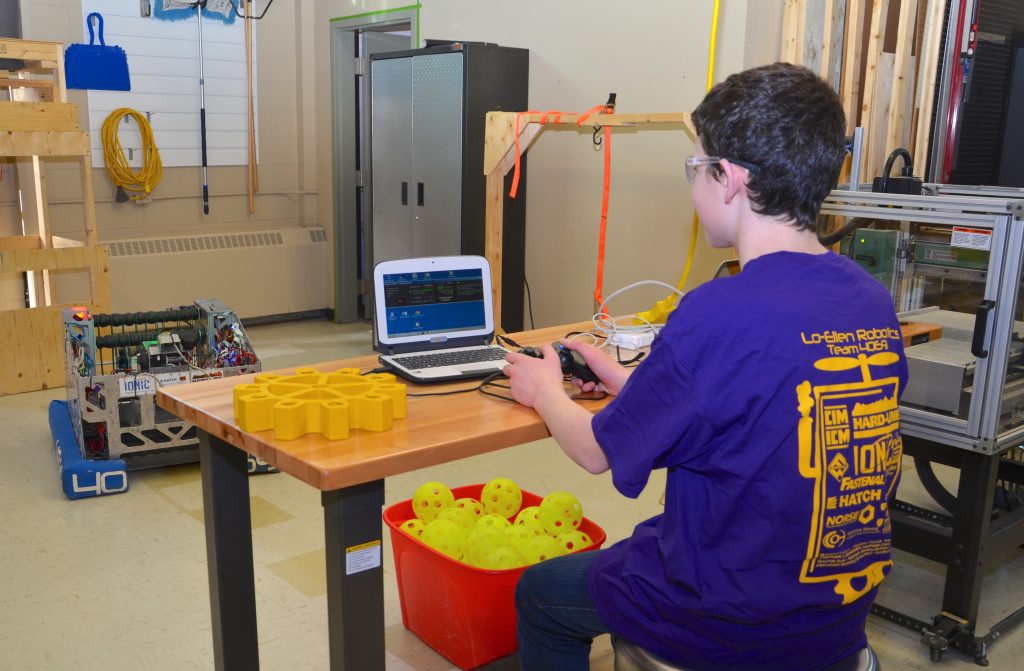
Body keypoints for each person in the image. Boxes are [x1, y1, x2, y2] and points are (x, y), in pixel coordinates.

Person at [503, 63, 908, 671]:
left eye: (697, 168)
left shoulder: (718, 310)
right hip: (832, 617)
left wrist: (543, 391)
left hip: (727, 621)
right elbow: (761, 405)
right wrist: (633, 384)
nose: (693, 186)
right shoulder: (868, 298)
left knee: (540, 594)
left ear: (731, 180)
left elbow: (594, 451)